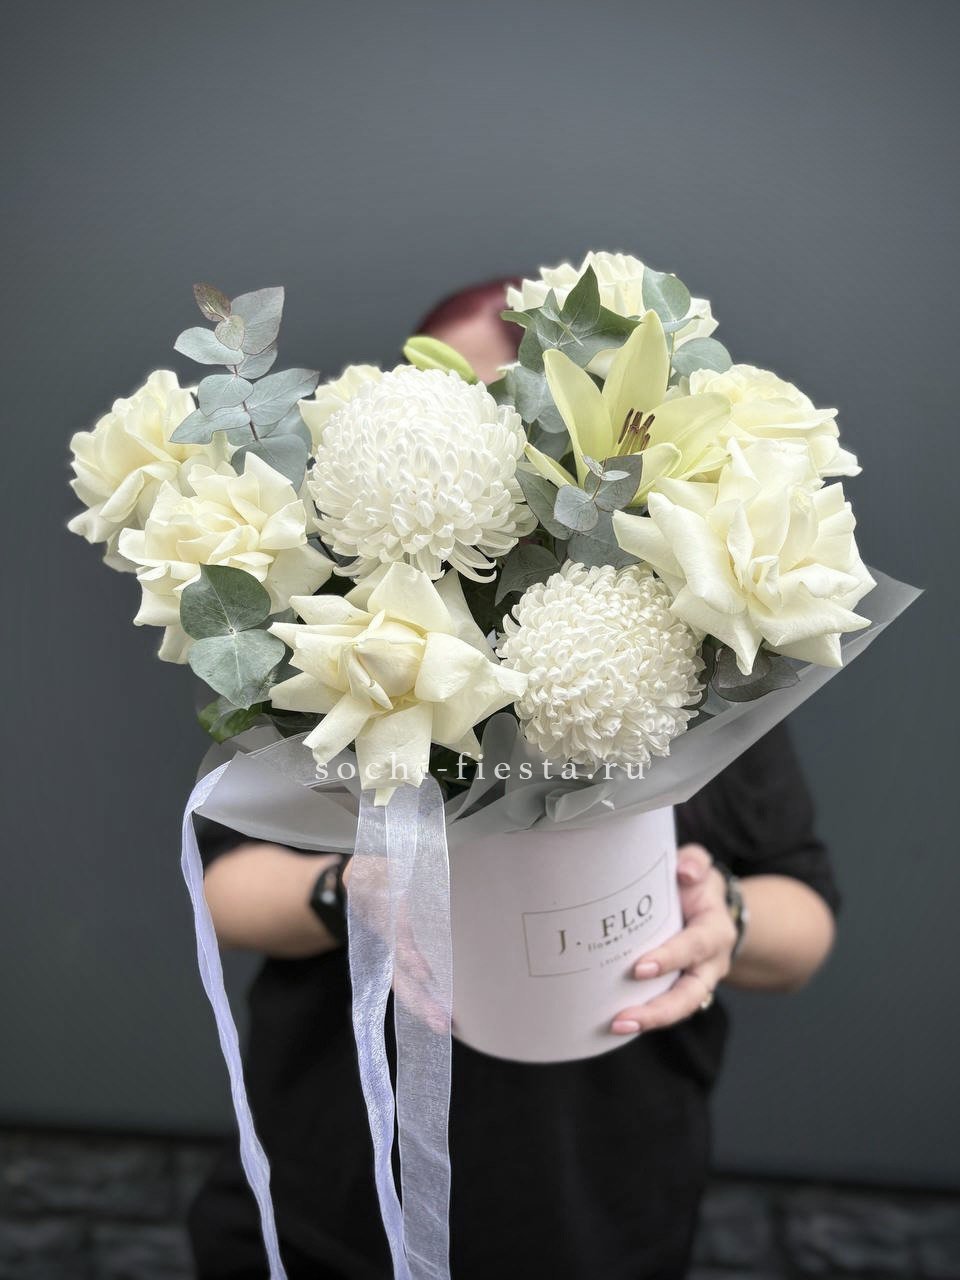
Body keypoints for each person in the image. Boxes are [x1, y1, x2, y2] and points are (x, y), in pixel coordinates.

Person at [187, 280, 839, 1280]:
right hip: (335, 1193)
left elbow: (807, 920)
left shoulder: (698, 665)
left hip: (600, 1206)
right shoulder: (347, 644)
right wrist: (352, 891)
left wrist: (726, 916)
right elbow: (226, 887)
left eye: (532, 413)